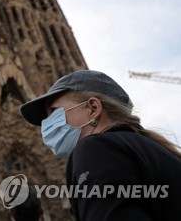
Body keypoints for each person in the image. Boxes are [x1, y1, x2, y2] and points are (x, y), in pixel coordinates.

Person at [19, 69, 181, 220]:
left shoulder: (96, 149)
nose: (47, 125)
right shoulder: (154, 151)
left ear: (93, 109)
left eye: (54, 112)